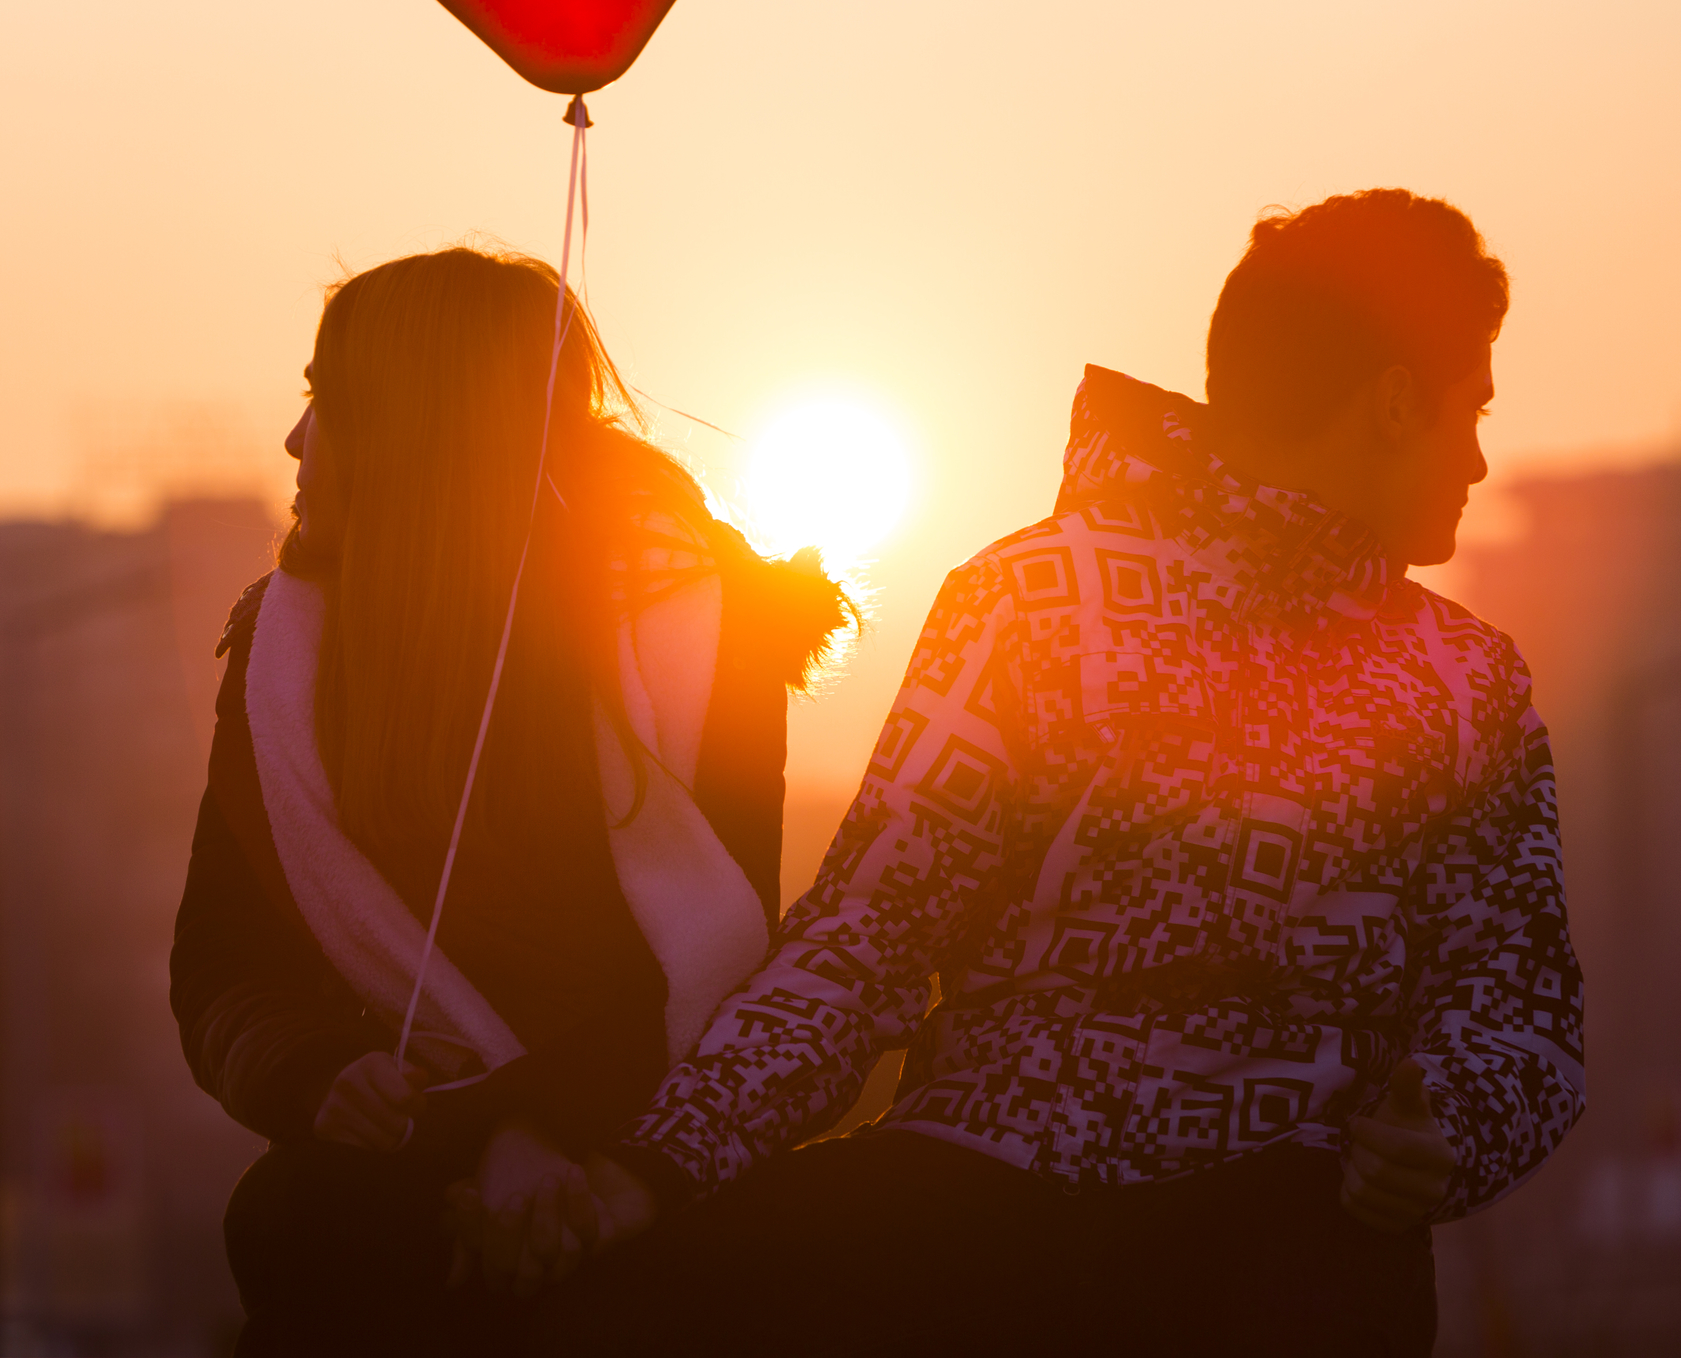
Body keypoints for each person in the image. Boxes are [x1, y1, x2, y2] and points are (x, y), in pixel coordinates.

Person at [536, 188, 1585, 1358]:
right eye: (1471, 407)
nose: (1482, 458)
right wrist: (657, 1166)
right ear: (1396, 400)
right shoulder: (1059, 605)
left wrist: (1447, 1124)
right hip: (1058, 1254)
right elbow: (868, 940)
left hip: (1214, 1252)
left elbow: (1517, 1016)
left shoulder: (1451, 677)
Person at [169, 246, 850, 1356]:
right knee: (296, 1221)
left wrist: (533, 1135)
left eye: (323, 401)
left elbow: (713, 960)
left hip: (642, 1138)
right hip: (408, 1159)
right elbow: (223, 962)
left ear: (417, 432)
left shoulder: (695, 632)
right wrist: (319, 1074)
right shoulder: (277, 662)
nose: (295, 441)